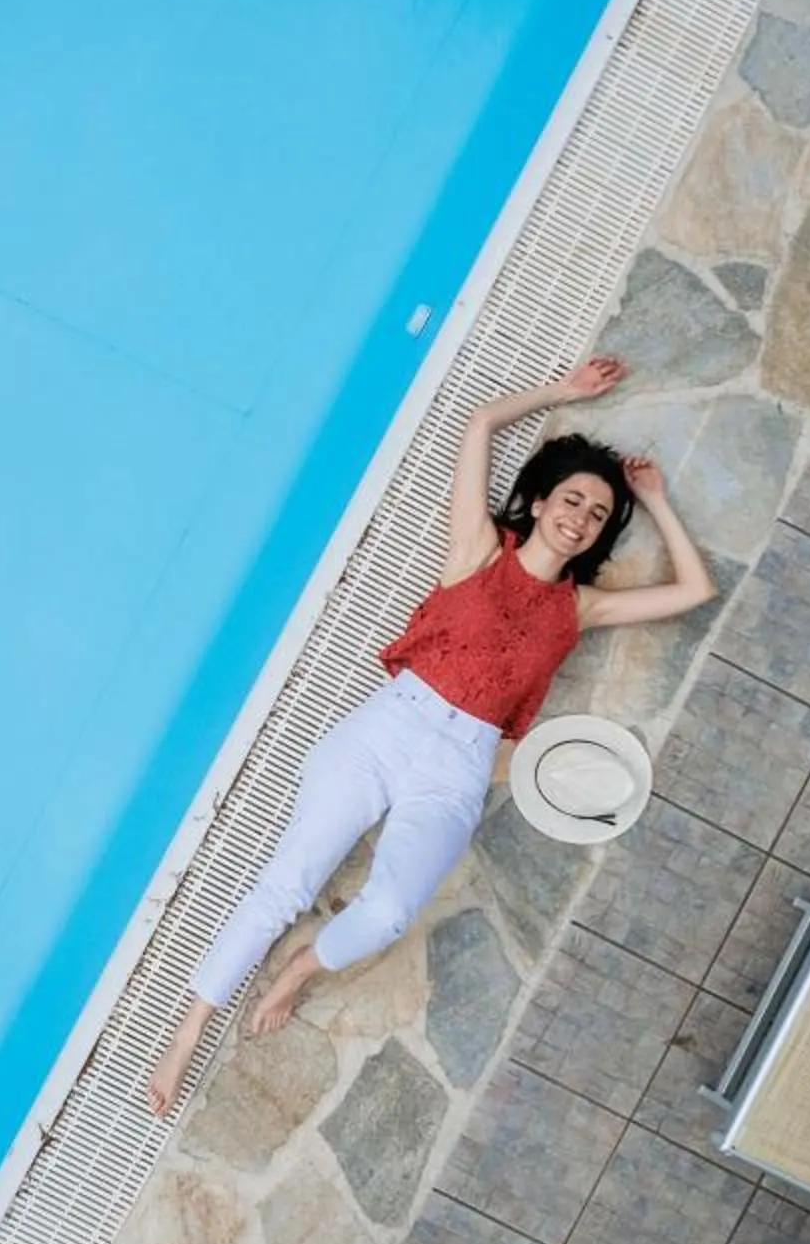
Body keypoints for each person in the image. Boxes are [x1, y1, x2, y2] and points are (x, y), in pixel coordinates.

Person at [144, 356, 717, 1117]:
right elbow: (478, 422)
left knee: (387, 912)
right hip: (390, 726)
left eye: (596, 515)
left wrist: (654, 500)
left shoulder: (580, 609)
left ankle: (302, 968)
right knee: (286, 884)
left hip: (460, 762)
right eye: (571, 499)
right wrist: (562, 393)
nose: (579, 518)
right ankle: (187, 1034)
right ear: (541, 500)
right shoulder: (479, 550)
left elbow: (695, 591)